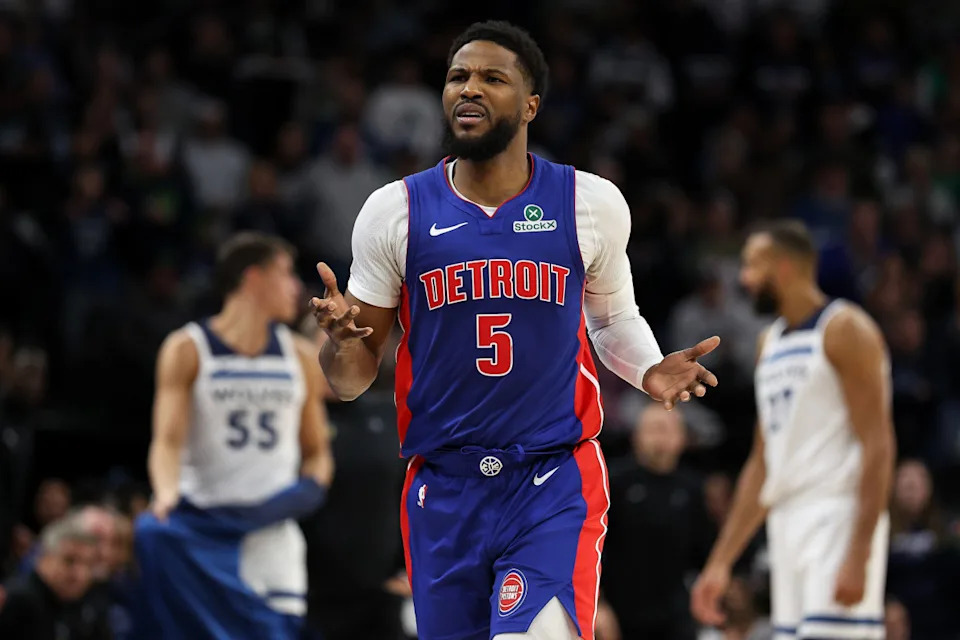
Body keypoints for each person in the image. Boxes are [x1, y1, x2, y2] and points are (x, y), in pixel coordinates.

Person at [310, 20, 720, 640]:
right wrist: (344, 344)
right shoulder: (393, 211)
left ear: (530, 105)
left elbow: (611, 319)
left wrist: (649, 368)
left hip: (551, 477)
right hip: (444, 487)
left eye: (491, 78)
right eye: (457, 77)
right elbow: (348, 382)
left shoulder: (590, 203)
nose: (468, 89)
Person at [691, 221, 895, 640]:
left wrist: (860, 550)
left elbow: (878, 445)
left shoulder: (845, 329)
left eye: (751, 266)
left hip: (837, 515)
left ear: (783, 268)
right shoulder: (770, 343)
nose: (743, 280)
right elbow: (764, 463)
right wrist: (721, 561)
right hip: (786, 523)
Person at [139, 232, 334, 639]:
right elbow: (167, 442)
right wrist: (165, 493)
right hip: (205, 524)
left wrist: (311, 487)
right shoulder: (187, 348)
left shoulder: (298, 355)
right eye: (285, 273)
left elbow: (317, 452)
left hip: (270, 529)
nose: (296, 287)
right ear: (253, 278)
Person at [602, 404, 712, 640]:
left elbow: (704, 549)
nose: (660, 437)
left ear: (682, 438)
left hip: (675, 611)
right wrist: (599, 605)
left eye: (667, 429)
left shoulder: (692, 487)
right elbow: (593, 549)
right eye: (653, 429)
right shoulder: (613, 482)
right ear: (636, 437)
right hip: (620, 609)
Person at [0, 513, 111, 640]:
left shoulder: (85, 606)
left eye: (88, 564)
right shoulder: (15, 601)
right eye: (69, 561)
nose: (80, 574)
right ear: (45, 557)